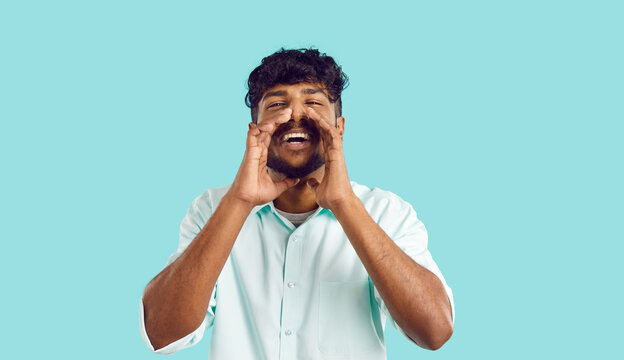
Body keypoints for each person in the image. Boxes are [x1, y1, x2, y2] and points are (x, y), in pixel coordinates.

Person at [140, 48, 455, 359]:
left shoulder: (386, 211)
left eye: (314, 103)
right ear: (254, 129)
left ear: (340, 128)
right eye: (277, 104)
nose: (295, 115)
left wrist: (345, 204)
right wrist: (239, 201)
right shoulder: (212, 208)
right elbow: (162, 333)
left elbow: (434, 331)